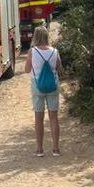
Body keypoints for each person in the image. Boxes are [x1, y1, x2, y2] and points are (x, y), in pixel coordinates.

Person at [24, 25, 62, 157]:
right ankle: (56, 149)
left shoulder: (32, 52)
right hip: (53, 86)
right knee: (53, 118)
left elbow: (27, 70)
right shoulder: (55, 51)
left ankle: (40, 149)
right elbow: (59, 69)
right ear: (47, 36)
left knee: (38, 118)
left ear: (35, 37)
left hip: (37, 86)